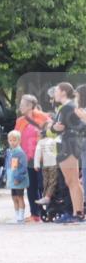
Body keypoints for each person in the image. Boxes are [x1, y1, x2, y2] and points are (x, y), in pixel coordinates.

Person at [50, 82, 84, 221]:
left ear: (63, 92)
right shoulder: (66, 107)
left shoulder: (68, 107)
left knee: (72, 181)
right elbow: (55, 127)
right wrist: (54, 128)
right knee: (72, 181)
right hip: (68, 144)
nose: (54, 94)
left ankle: (78, 213)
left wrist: (57, 128)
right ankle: (77, 212)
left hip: (69, 145)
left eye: (56, 91)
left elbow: (78, 127)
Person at [14, 95, 50, 221]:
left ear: (30, 106)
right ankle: (35, 214)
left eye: (22, 104)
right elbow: (15, 141)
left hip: (42, 159)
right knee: (31, 188)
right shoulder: (20, 121)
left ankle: (49, 212)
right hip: (27, 159)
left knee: (43, 186)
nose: (20, 107)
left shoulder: (44, 118)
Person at [4, 131, 29, 223]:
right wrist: (6, 176)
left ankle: (21, 217)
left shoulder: (20, 152)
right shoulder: (10, 152)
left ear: (19, 141)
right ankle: (17, 216)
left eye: (14, 140)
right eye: (10, 140)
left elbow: (23, 167)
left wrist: (18, 178)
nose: (12, 142)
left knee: (20, 197)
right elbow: (8, 166)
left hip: (18, 179)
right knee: (14, 198)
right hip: (12, 179)